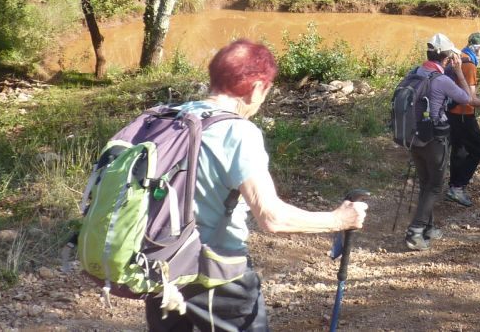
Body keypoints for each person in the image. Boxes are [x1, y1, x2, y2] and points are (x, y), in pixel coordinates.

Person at [147, 40, 367, 332]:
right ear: (256, 88)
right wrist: (338, 220)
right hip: (215, 277)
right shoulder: (236, 132)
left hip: (160, 269)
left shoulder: (167, 118)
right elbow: (271, 217)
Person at [403, 33, 480, 251]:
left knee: (425, 183)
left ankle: (428, 229)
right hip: (434, 139)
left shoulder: (416, 73)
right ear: (447, 59)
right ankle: (415, 232)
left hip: (412, 137)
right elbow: (468, 98)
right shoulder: (443, 80)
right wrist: (458, 71)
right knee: (435, 186)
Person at [446, 32, 480, 207]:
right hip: (463, 114)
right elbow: (471, 99)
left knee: (459, 150)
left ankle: (454, 187)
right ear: (477, 49)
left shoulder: (457, 58)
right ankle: (457, 187)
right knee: (477, 150)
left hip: (450, 112)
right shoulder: (469, 66)